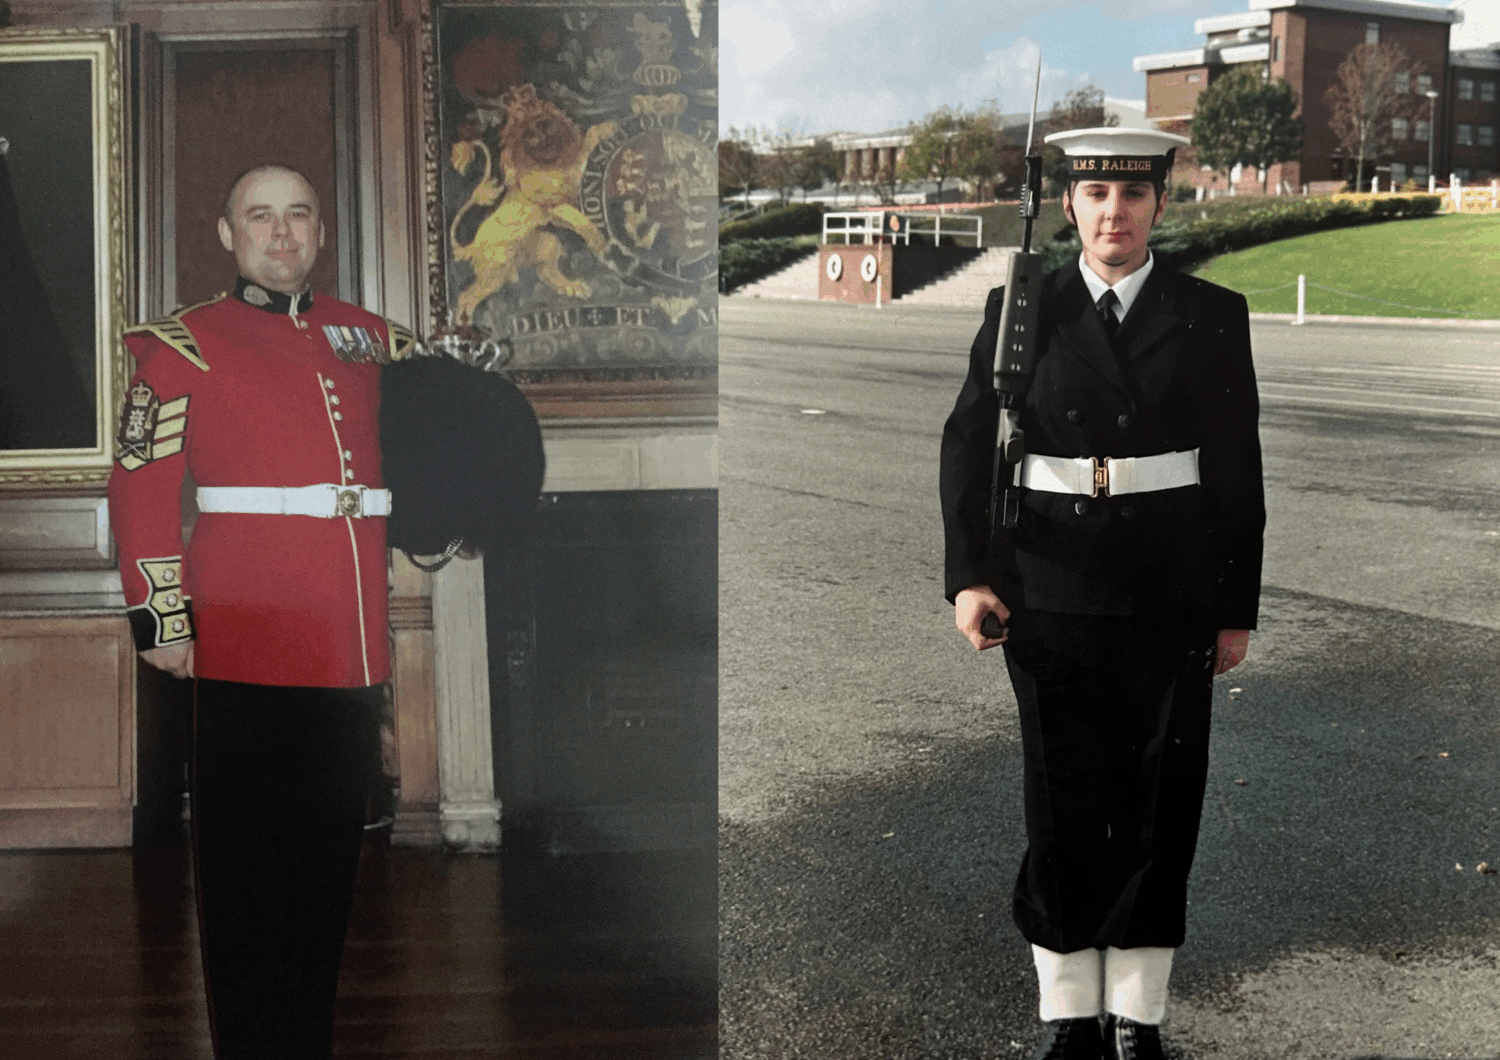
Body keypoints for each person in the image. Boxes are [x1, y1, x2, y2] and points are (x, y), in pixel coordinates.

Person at [939, 129, 1265, 1060]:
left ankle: (1139, 1016)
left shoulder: (1211, 313)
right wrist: (970, 576)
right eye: (1095, 195)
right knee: (1063, 799)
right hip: (1051, 587)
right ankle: (1071, 1015)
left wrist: (1233, 607)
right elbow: (968, 444)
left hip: (1171, 593)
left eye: (1131, 194)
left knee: (1162, 801)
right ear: (1069, 206)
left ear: (1160, 203)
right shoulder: (1021, 310)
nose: (1113, 212)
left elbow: (1236, 466)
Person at [108, 164, 414, 1060]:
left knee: (329, 876)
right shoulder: (185, 344)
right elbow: (140, 486)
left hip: (349, 644)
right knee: (246, 884)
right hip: (244, 638)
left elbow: (424, 456)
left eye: (298, 216)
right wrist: (163, 621)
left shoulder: (372, 340)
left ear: (320, 230)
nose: (281, 234)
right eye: (260, 216)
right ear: (227, 233)